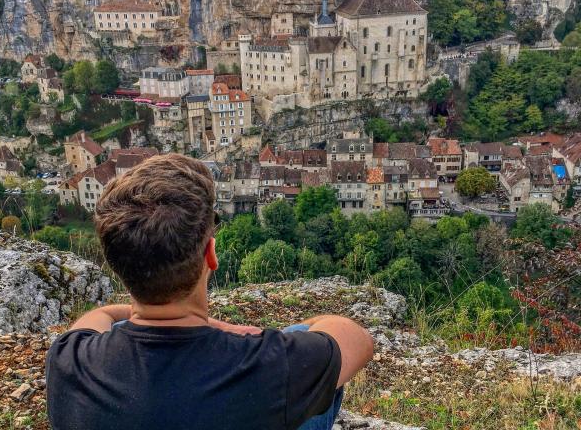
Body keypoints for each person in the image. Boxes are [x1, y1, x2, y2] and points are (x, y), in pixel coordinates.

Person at [46, 153, 373, 430]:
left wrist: (196, 323)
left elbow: (99, 316)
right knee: (308, 346)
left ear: (116, 264)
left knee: (118, 328)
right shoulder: (266, 369)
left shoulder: (68, 362)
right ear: (210, 255)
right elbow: (355, 338)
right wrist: (237, 330)